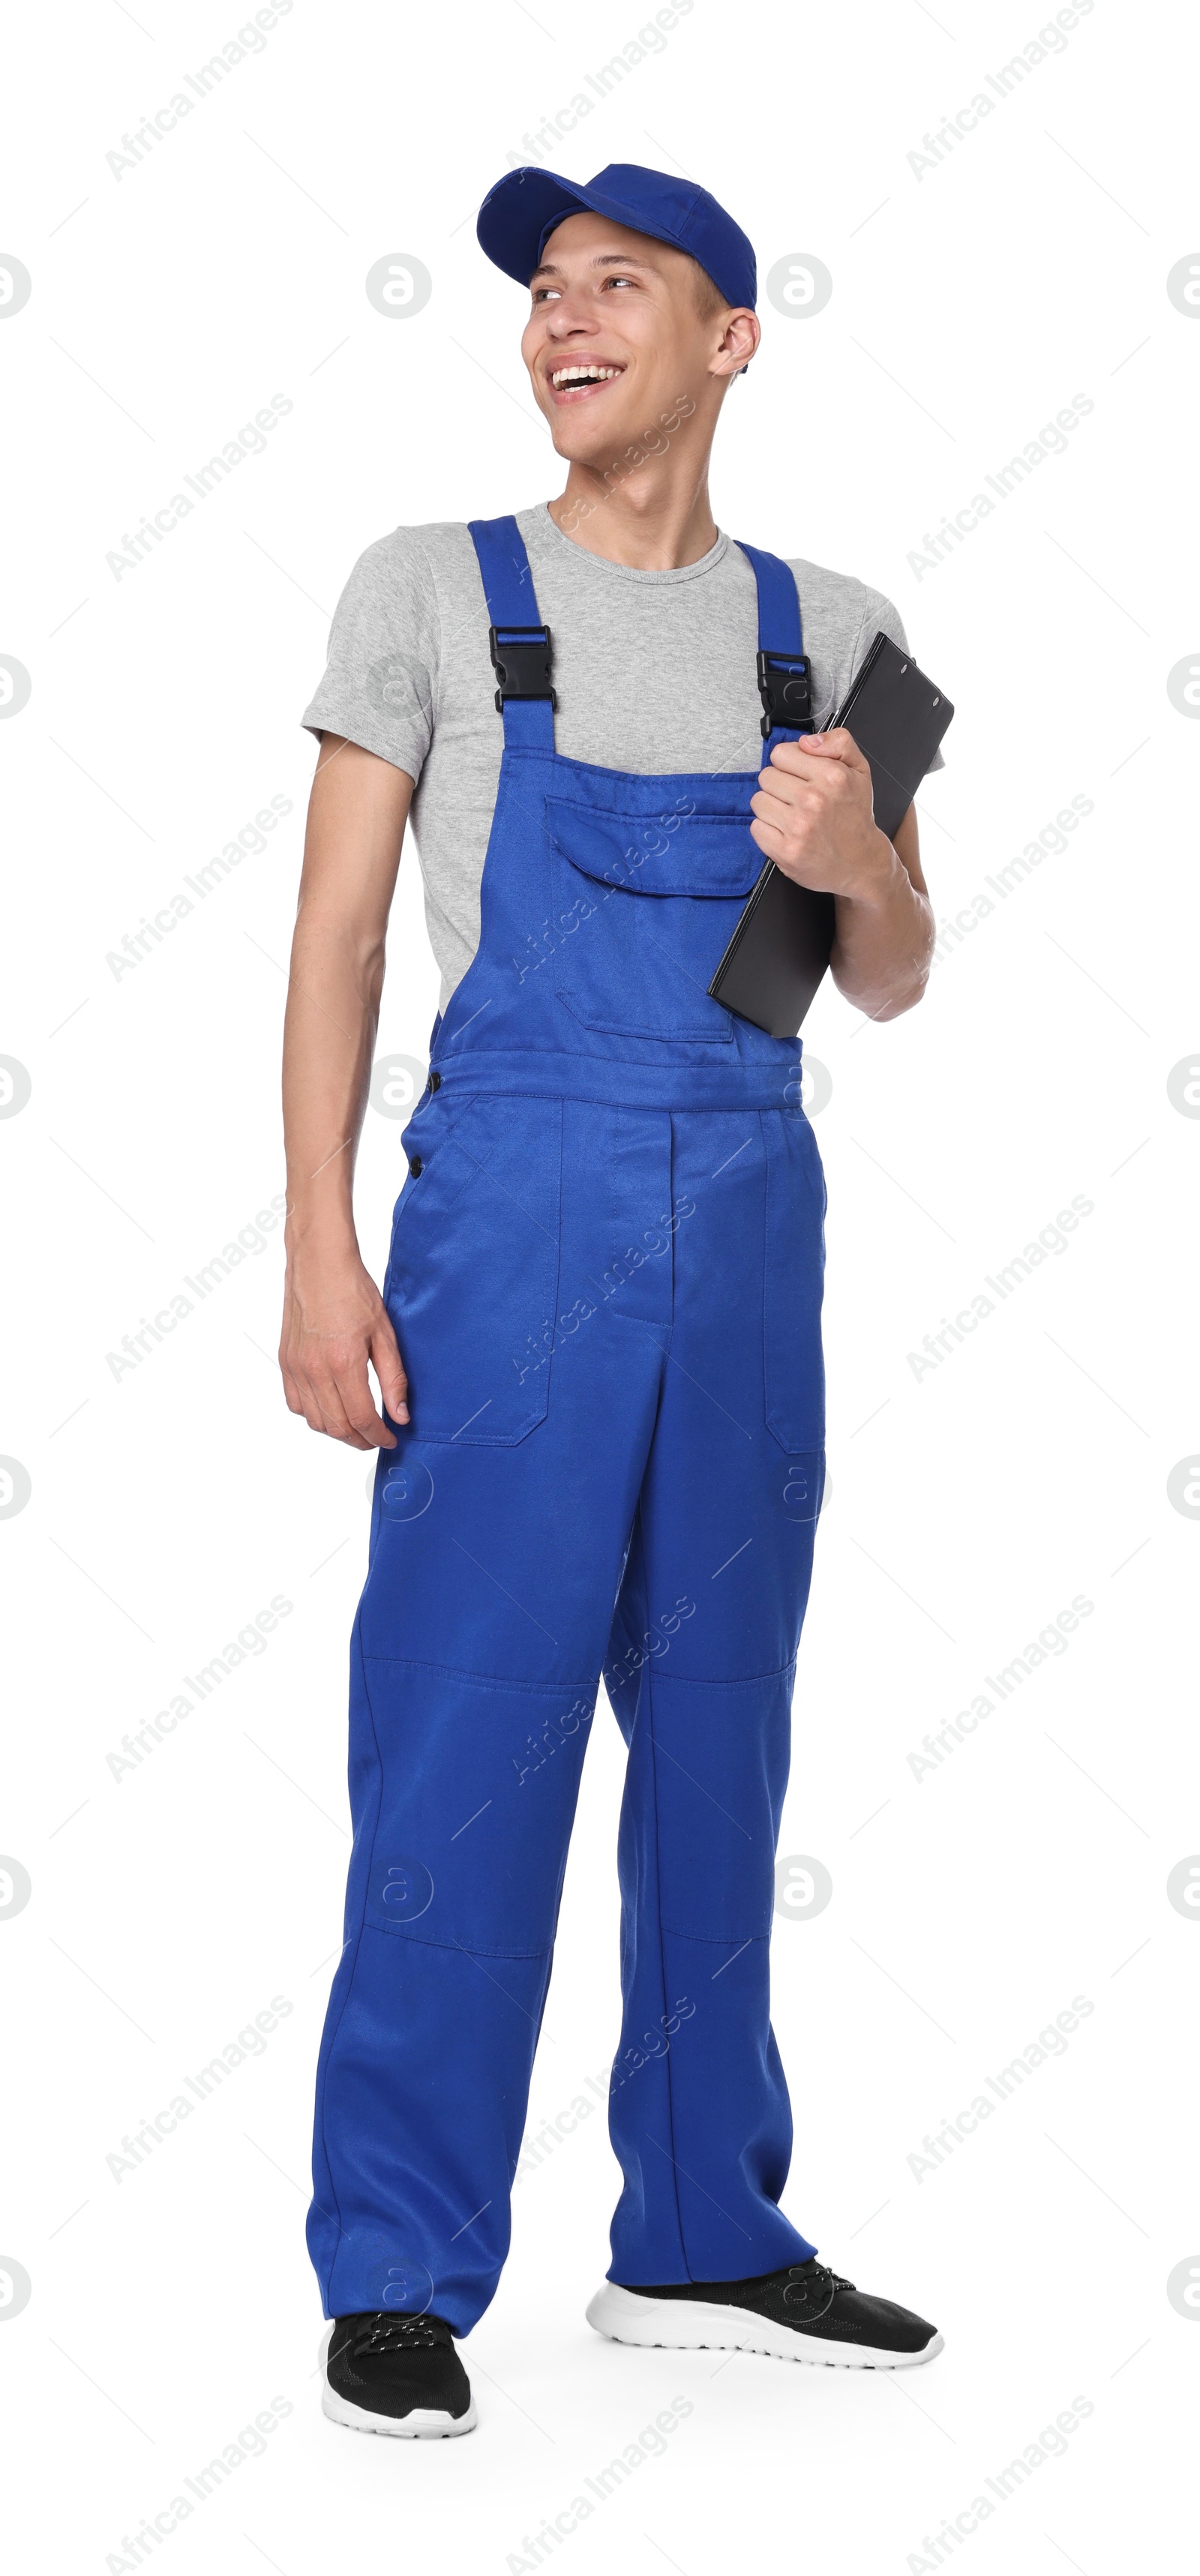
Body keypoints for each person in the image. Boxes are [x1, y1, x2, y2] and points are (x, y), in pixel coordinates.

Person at [280, 162, 945, 2440]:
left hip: (752, 1220)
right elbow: (345, 946)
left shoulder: (829, 630)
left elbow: (893, 969)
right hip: (518, 1221)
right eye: (546, 293)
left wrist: (856, 854)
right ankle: (397, 2261)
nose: (564, 321)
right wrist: (315, 1249)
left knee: (725, 1727)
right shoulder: (435, 595)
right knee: (465, 1738)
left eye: (619, 287)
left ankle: (701, 2229)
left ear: (727, 338)